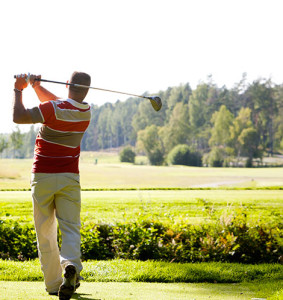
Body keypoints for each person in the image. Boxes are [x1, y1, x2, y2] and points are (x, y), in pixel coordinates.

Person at [13, 72, 92, 299]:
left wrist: (19, 89)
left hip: (43, 177)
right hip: (69, 178)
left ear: (67, 84)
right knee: (70, 228)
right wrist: (37, 87)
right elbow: (60, 104)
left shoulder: (52, 109)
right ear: (86, 90)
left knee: (45, 232)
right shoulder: (85, 112)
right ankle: (71, 266)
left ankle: (53, 283)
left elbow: (19, 117)